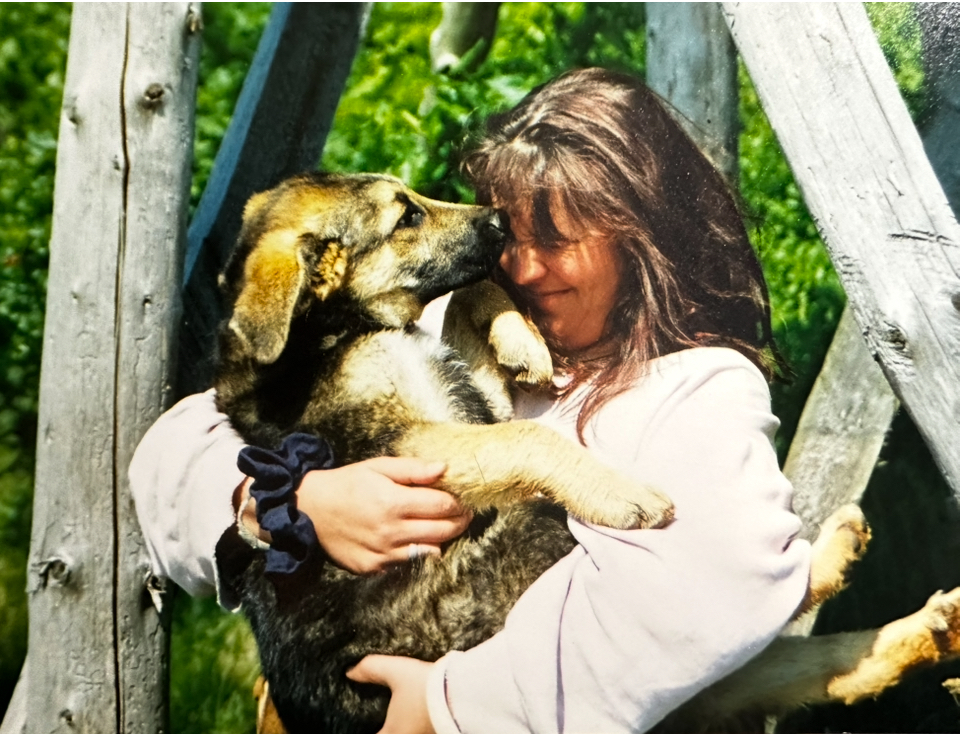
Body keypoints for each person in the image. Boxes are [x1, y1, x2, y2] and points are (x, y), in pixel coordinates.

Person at [130, 67, 811, 734]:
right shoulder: (445, 323)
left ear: (642, 237)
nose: (523, 268)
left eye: (556, 241)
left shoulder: (696, 388)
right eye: (513, 236)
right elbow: (166, 455)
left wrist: (450, 704)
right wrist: (287, 503)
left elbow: (723, 586)